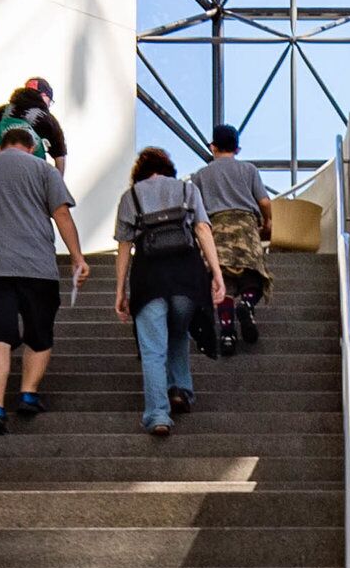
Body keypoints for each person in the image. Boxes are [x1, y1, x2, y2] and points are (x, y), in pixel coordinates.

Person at [0, 121, 81, 435]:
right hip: (36, 266)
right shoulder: (45, 170)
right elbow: (62, 214)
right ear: (31, 147)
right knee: (39, 334)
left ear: (2, 146)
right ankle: (28, 393)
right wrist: (78, 258)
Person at [111, 147, 223, 436]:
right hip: (188, 278)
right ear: (168, 168)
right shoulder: (187, 190)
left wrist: (120, 290)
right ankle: (180, 390)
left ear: (139, 173)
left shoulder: (130, 197)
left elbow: (124, 247)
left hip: (149, 280)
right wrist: (217, 274)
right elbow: (202, 230)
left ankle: (158, 415)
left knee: (152, 350)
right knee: (178, 332)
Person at [187, 124, 275, 354]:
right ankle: (246, 304)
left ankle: (227, 334)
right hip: (246, 227)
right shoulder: (249, 170)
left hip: (216, 229)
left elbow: (193, 211)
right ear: (238, 148)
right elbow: (264, 202)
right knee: (253, 277)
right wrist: (268, 222)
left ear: (212, 146)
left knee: (221, 283)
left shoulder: (200, 176)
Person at [0, 76, 67, 177]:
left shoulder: (4, 110)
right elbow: (59, 156)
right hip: (30, 177)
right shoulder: (48, 119)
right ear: (44, 96)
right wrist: (57, 184)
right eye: (50, 100)